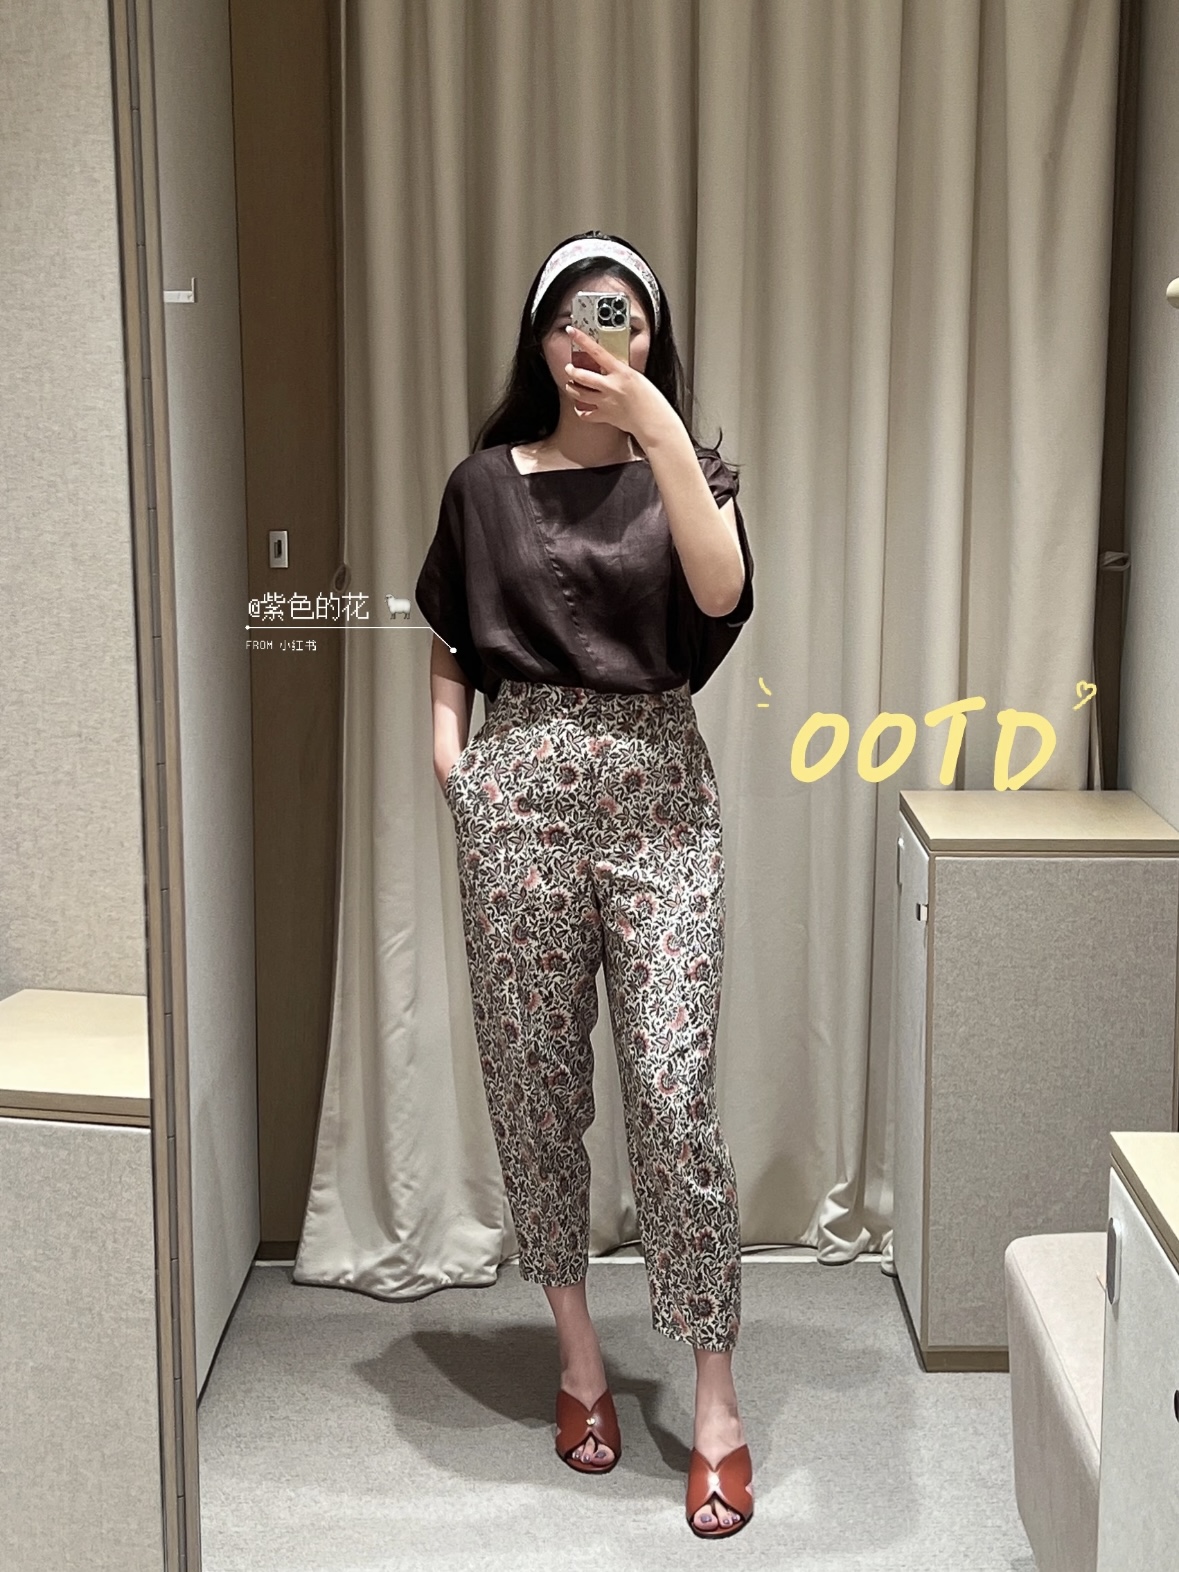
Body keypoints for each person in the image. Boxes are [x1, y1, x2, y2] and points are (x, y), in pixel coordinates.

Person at [414, 231, 755, 1539]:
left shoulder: (690, 475)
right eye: (571, 316)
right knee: (536, 1088)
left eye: (621, 318)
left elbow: (720, 589)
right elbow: (452, 631)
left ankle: (714, 1398)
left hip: (661, 791)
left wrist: (657, 428)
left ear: (654, 341)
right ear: (538, 336)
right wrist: (452, 758)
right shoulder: (483, 485)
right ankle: (577, 1355)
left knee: (674, 1094)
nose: (591, 339)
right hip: (521, 796)